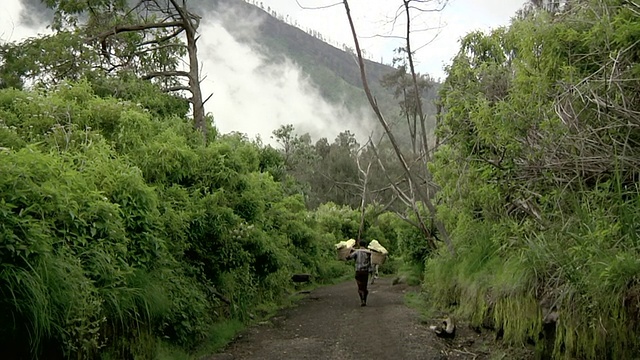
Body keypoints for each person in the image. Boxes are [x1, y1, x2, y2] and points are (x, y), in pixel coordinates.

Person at [346, 240, 372, 306]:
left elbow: (348, 257)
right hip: (365, 271)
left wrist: (349, 252)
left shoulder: (356, 252)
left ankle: (362, 300)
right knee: (365, 286)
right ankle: (365, 301)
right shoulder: (368, 252)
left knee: (360, 287)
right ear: (365, 245)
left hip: (358, 271)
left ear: (359, 245)